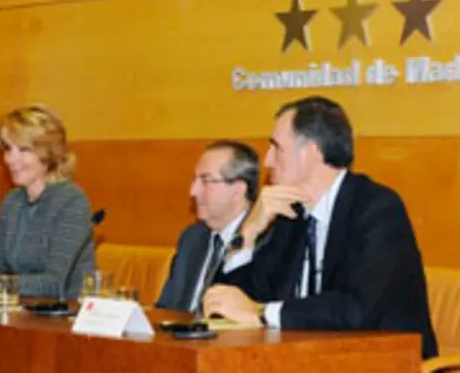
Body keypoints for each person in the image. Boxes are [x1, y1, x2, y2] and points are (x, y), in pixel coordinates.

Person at [203, 96, 438, 360]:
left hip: (384, 361)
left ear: (310, 153)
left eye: (277, 148)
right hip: (309, 359)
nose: (267, 161)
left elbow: (354, 310)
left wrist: (260, 312)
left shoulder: (376, 209)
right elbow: (228, 302)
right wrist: (249, 231)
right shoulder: (291, 214)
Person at [0, 105, 94, 299]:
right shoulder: (13, 201)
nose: (10, 159)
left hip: (66, 317)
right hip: (22, 311)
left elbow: (54, 283)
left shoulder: (72, 202)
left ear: (48, 154)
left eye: (23, 149)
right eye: (8, 149)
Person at [156, 140, 259, 312]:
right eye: (195, 180)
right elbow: (166, 308)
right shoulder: (191, 238)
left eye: (206, 181)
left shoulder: (263, 239)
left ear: (238, 189)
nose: (193, 191)